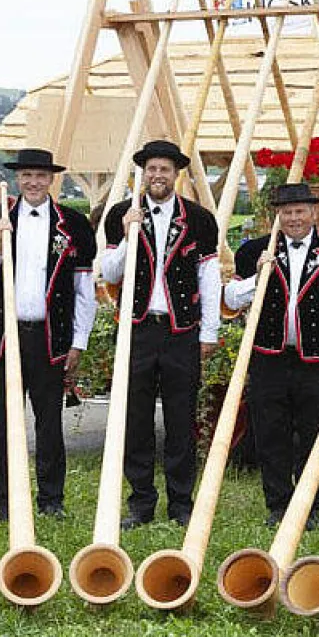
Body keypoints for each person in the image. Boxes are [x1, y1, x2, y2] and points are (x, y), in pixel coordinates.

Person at [0, 148, 97, 522]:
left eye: (41, 175)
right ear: (17, 180)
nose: (34, 182)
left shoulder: (73, 223)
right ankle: (4, 501)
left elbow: (84, 289)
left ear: (52, 179)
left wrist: (79, 341)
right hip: (4, 336)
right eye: (27, 176)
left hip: (50, 337)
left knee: (49, 421)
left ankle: (51, 499)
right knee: (5, 420)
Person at [97, 140, 222, 528]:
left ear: (176, 174)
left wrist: (210, 331)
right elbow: (111, 272)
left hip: (181, 330)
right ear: (143, 173)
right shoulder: (122, 213)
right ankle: (141, 501)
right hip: (137, 330)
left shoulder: (199, 219)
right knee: (135, 418)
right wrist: (127, 232)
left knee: (181, 418)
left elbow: (209, 276)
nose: (157, 176)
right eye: (151, 169)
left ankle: (181, 503)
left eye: (164, 170)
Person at [226, 180, 319, 528]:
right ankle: (278, 504)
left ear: (314, 213)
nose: (294, 218)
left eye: (300, 211)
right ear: (278, 216)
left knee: (315, 435)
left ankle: (309, 506)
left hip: (318, 360)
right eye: (287, 212)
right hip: (267, 356)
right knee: (270, 434)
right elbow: (229, 300)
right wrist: (258, 276)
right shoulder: (254, 252)